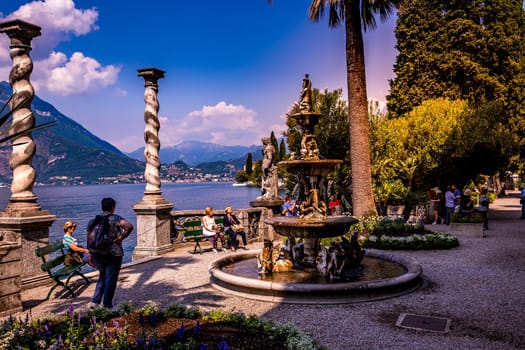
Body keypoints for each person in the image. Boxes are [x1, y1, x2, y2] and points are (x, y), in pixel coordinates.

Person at [88, 197, 133, 310]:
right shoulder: (116, 218)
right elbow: (129, 226)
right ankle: (107, 305)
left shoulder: (93, 221)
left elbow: (89, 237)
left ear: (102, 207)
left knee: (102, 277)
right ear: (113, 207)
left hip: (97, 253)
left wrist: (91, 253)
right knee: (111, 279)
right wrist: (121, 238)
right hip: (113, 253)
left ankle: (95, 302)